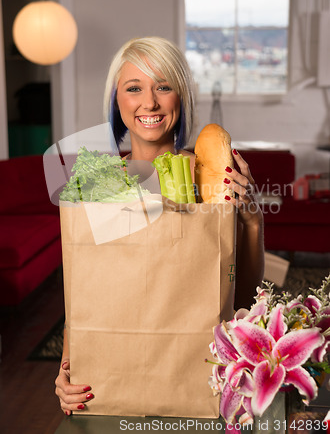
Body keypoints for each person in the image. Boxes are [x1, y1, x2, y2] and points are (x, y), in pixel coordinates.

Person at [55, 36, 264, 415]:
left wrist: (250, 219)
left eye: (163, 87)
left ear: (180, 98)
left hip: (197, 382)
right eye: (134, 88)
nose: (149, 102)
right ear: (117, 102)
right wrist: (67, 370)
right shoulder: (99, 181)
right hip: (111, 385)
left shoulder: (211, 178)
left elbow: (242, 299)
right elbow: (85, 291)